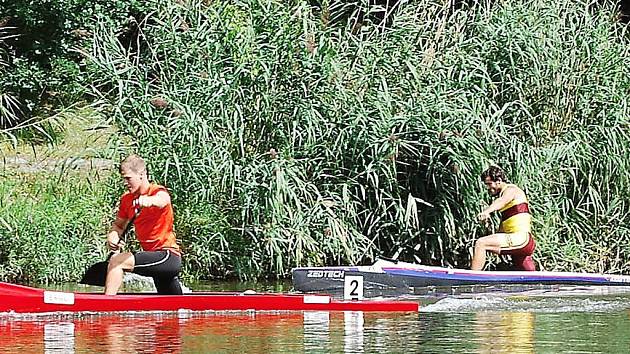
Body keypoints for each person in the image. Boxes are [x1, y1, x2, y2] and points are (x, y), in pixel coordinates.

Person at [105, 154, 183, 295]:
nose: (125, 182)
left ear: (141, 174)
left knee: (116, 261)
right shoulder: (126, 200)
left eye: (128, 178)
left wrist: (150, 200)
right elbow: (118, 225)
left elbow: (163, 200)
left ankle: (104, 307)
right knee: (174, 307)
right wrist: (113, 237)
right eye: (123, 179)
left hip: (167, 256)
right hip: (154, 259)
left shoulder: (157, 191)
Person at [472, 166, 535, 271]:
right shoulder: (507, 208)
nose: (488, 188)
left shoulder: (511, 190)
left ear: (499, 181)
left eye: (489, 184)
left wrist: (487, 211)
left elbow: (501, 201)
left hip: (520, 239)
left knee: (481, 243)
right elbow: (502, 229)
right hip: (522, 242)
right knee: (530, 275)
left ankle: (471, 278)